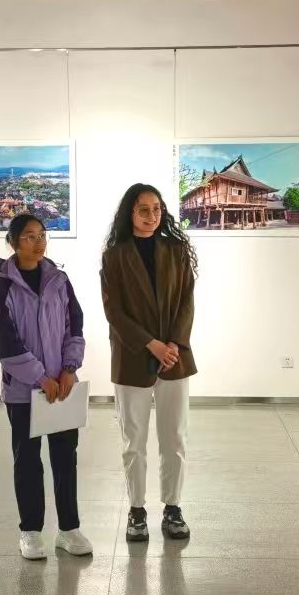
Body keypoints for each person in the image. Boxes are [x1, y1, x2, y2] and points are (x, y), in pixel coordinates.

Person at [0, 213, 93, 560]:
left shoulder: (59, 280)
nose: (39, 242)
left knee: (65, 458)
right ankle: (30, 531)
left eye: (42, 235)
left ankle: (69, 529)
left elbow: (74, 325)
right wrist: (40, 378)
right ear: (13, 242)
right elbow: (6, 343)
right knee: (28, 461)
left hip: (62, 388)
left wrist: (69, 369)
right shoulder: (0, 288)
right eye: (30, 236)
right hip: (24, 391)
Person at [100, 184, 197, 543]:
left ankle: (173, 507)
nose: (151, 216)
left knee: (175, 438)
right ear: (130, 213)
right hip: (132, 356)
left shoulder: (177, 250)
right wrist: (151, 344)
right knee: (134, 440)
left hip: (174, 356)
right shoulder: (115, 256)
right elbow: (114, 312)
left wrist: (173, 343)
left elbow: (187, 302)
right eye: (143, 209)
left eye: (157, 209)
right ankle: (137, 510)